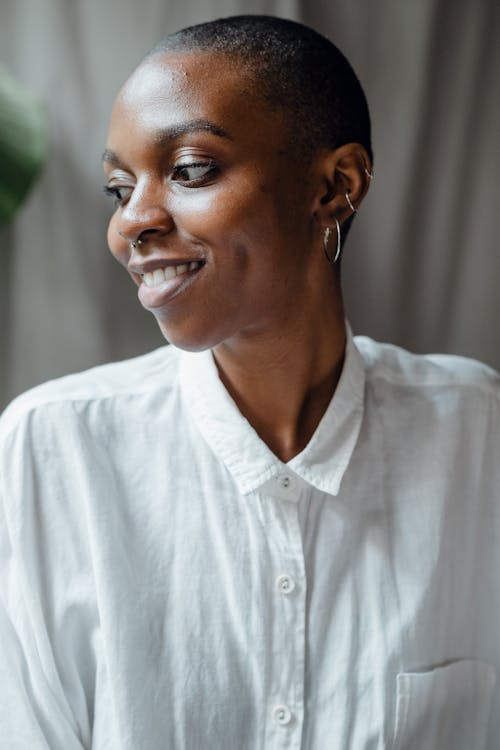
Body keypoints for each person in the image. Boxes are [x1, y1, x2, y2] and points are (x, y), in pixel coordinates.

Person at [0, 14, 499, 750]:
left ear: (336, 185)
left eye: (190, 170)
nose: (131, 223)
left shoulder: (481, 439)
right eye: (117, 187)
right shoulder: (52, 451)